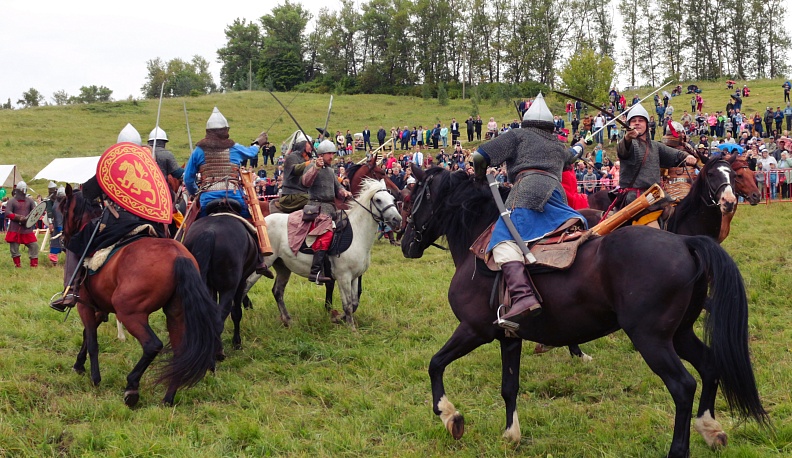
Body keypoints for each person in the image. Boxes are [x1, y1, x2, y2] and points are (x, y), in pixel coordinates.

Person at [471, 93, 586, 330]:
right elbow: (572, 155)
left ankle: (523, 297)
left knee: (502, 241)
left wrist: (480, 177)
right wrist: (581, 145)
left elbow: (479, 155)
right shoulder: (557, 144)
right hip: (556, 196)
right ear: (550, 126)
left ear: (527, 120)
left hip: (527, 191)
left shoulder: (517, 135)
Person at [183, 107, 272, 277]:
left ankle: (186, 253)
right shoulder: (235, 148)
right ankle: (259, 259)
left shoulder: (199, 151)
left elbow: (188, 179)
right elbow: (251, 152)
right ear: (225, 131)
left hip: (207, 199)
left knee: (193, 225)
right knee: (252, 222)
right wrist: (258, 143)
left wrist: (196, 193)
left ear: (208, 131)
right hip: (233, 196)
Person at [614, 103, 697, 211]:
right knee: (655, 228)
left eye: (641, 120)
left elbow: (676, 155)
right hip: (634, 200)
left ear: (647, 124)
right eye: (634, 121)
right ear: (629, 124)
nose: (637, 123)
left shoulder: (655, 146)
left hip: (655, 197)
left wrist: (687, 156)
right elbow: (622, 150)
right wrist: (627, 138)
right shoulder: (628, 143)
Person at [300, 140, 353, 283]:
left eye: (333, 153)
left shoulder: (330, 171)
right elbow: (305, 182)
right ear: (321, 154)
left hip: (332, 208)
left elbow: (337, 189)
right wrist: (316, 167)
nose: (332, 156)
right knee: (326, 234)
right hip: (317, 208)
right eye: (329, 153)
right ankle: (315, 271)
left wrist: (344, 192)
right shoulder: (312, 166)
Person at [4, 181, 39, 268]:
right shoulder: (12, 201)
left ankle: (34, 265)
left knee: (34, 245)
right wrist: (19, 217)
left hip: (26, 228)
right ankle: (17, 265)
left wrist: (29, 218)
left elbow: (35, 212)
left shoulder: (30, 201)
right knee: (14, 248)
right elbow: (7, 213)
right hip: (15, 228)